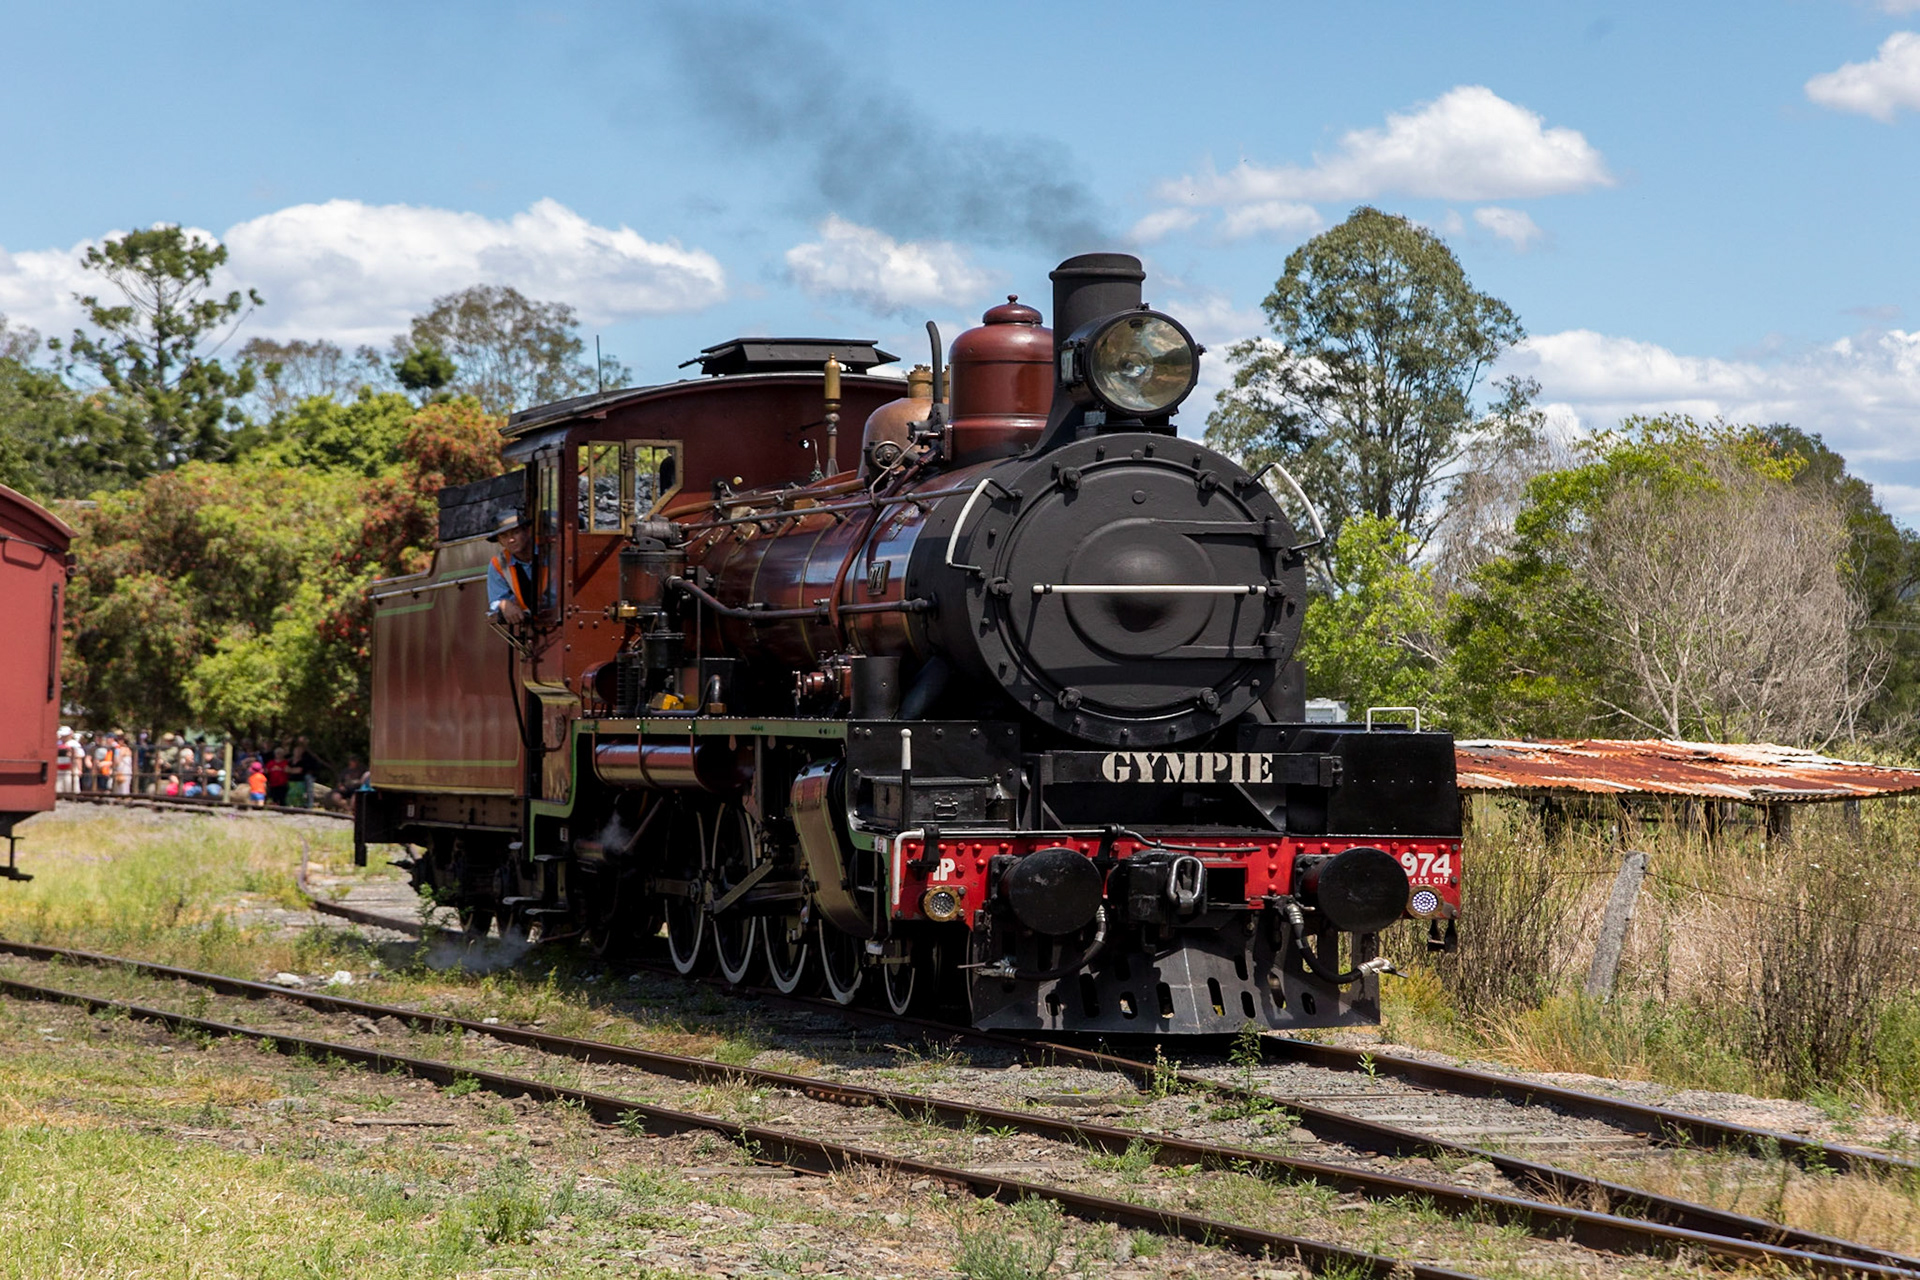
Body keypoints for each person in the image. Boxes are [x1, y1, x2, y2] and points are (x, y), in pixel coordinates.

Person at [486, 513, 548, 624]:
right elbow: (495, 601)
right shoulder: (498, 564)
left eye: (515, 532)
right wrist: (503, 604)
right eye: (504, 536)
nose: (511, 540)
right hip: (532, 625)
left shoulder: (549, 549)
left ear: (527, 532)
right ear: (499, 541)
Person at [55, 727, 76, 793]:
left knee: (69, 788)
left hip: (69, 769)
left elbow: (78, 758)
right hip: (59, 769)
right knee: (59, 788)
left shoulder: (74, 744)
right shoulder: (58, 744)